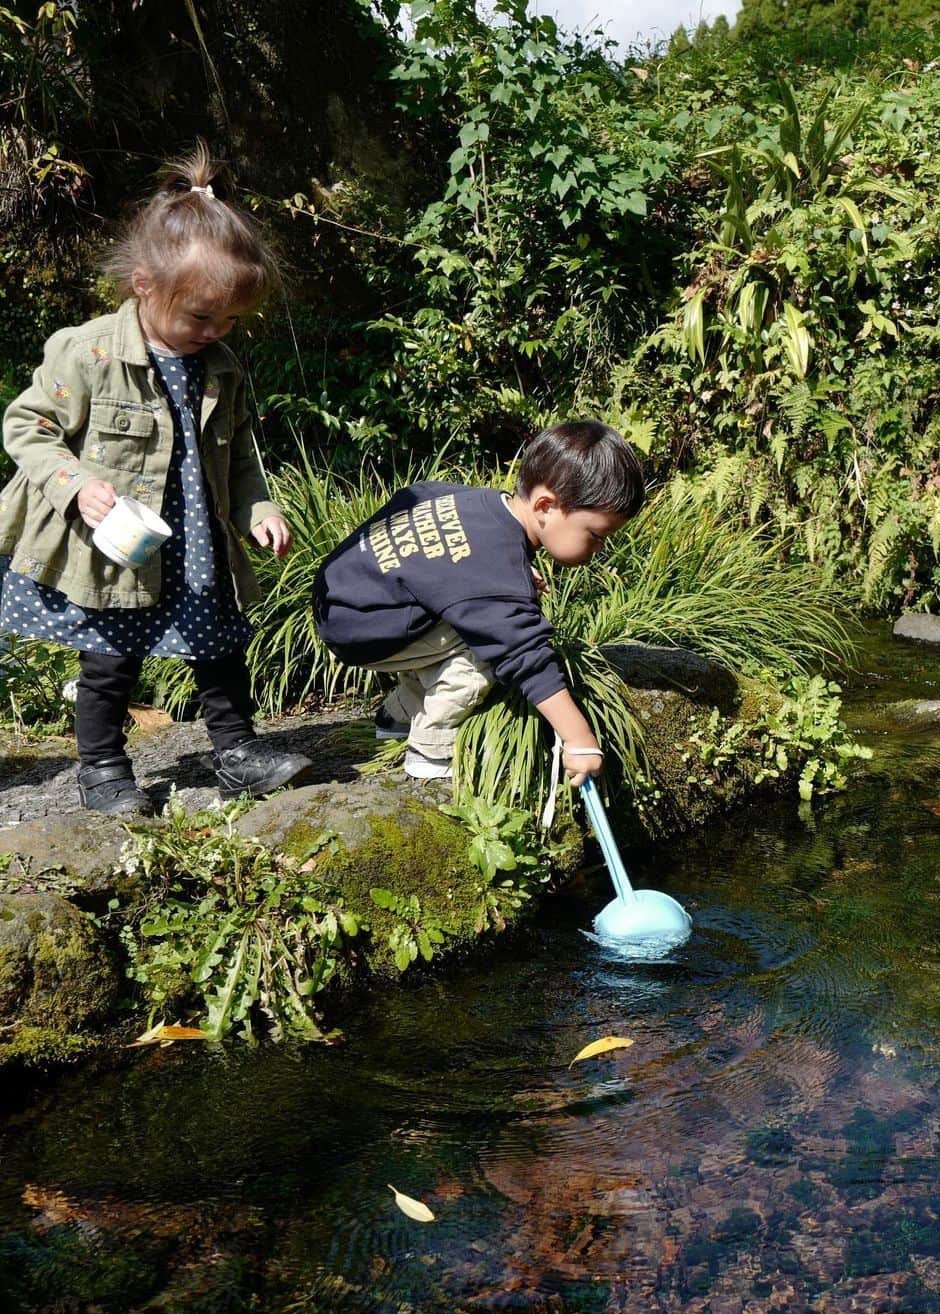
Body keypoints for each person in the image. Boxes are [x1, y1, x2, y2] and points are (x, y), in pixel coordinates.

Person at [0, 141, 311, 814]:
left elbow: (240, 453)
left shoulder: (220, 366)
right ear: (144, 282)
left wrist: (260, 508)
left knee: (221, 644)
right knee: (110, 657)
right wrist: (74, 482)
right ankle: (104, 770)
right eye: (201, 316)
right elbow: (27, 427)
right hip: (117, 544)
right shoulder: (87, 354)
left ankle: (237, 752)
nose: (215, 330)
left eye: (230, 320)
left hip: (197, 535)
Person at [312, 420, 644, 783]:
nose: (600, 549)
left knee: (474, 616)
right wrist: (578, 740)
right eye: (595, 535)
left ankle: (398, 714)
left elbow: (419, 495)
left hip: (342, 598)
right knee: (485, 649)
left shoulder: (478, 505)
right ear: (546, 506)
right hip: (363, 628)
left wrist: (492, 577)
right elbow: (524, 656)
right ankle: (431, 750)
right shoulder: (493, 572)